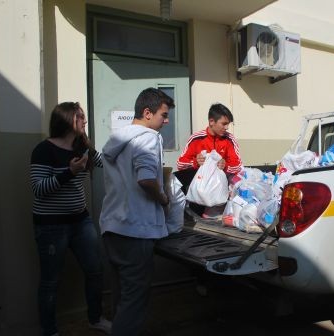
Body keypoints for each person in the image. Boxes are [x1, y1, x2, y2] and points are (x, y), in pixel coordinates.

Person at [30, 102, 111, 336]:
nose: (85, 121)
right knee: (51, 281)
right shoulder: (43, 150)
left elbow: (104, 163)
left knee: (95, 271)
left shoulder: (81, 146)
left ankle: (95, 319)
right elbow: (38, 189)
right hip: (51, 226)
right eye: (80, 118)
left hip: (80, 221)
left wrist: (122, 149)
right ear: (67, 120)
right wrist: (70, 173)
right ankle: (50, 330)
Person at [99, 88, 173, 336]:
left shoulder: (118, 139)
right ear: (147, 112)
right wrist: (163, 199)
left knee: (121, 295)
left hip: (113, 229)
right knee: (134, 302)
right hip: (135, 231)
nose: (167, 120)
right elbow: (146, 179)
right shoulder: (148, 137)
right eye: (164, 114)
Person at [176, 103, 242, 217]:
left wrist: (225, 165)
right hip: (199, 193)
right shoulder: (196, 138)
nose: (226, 128)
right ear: (212, 121)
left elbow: (238, 165)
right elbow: (180, 164)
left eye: (228, 124)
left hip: (221, 194)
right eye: (224, 124)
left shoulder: (229, 139)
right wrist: (195, 162)